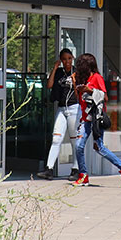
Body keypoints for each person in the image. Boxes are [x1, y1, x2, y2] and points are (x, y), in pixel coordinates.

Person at [71, 53, 121, 188]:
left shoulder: (97, 78)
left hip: (95, 118)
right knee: (79, 145)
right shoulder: (81, 78)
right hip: (85, 118)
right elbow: (79, 100)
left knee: (99, 148)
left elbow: (105, 98)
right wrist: (75, 84)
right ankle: (83, 175)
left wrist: (90, 89)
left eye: (81, 65)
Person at [36, 48, 80, 181]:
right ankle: (49, 169)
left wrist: (73, 80)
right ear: (61, 60)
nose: (67, 62)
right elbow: (49, 85)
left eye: (69, 58)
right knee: (56, 139)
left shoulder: (76, 72)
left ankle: (76, 169)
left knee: (74, 140)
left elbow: (79, 92)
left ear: (72, 58)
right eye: (64, 59)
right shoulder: (60, 72)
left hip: (74, 107)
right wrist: (55, 69)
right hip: (61, 108)